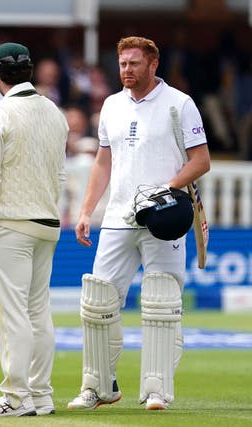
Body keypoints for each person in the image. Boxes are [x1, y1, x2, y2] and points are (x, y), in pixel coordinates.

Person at [67, 36, 210, 412]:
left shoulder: (180, 104)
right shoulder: (112, 105)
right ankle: (98, 387)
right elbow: (103, 162)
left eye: (133, 64)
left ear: (153, 64)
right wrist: (86, 211)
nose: (126, 71)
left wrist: (164, 190)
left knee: (162, 301)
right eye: (122, 64)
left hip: (164, 217)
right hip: (117, 218)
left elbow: (201, 160)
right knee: (98, 301)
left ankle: (157, 389)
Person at [0, 42, 68, 417]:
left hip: (10, 224)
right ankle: (40, 394)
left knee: (11, 313)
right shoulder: (55, 112)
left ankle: (15, 396)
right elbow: (59, 175)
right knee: (37, 312)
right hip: (46, 221)